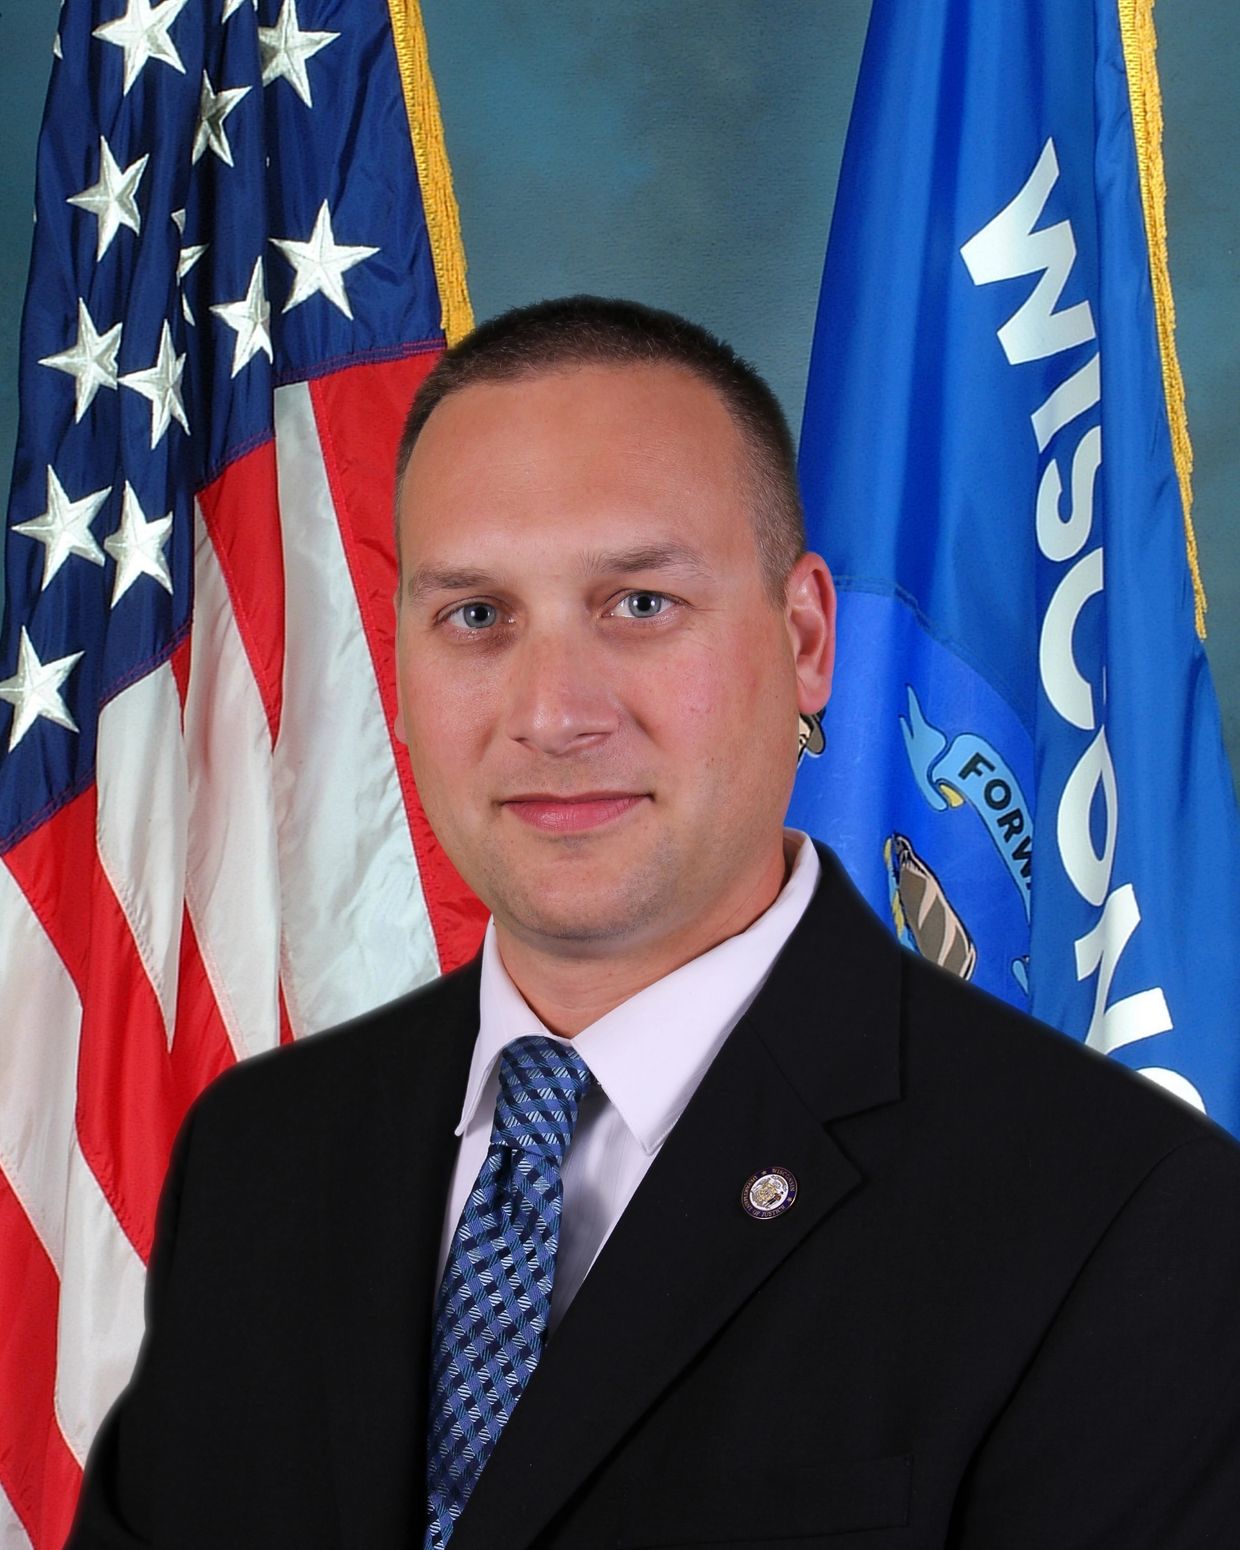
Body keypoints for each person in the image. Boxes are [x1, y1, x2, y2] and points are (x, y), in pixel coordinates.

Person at [68, 297, 1240, 1550]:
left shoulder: (1121, 1219)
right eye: (477, 615)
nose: (554, 713)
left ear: (803, 638)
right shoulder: (260, 1161)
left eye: (637, 604)